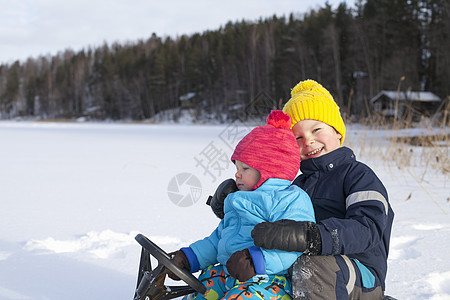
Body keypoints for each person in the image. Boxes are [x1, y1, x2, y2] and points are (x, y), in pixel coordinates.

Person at [248, 79, 395, 300]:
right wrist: (237, 199)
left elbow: (368, 227)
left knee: (311, 266)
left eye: (316, 129)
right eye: (297, 138)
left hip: (361, 276)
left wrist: (313, 237)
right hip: (309, 272)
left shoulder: (359, 176)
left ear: (337, 131)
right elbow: (268, 212)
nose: (308, 141)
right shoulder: (298, 185)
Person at [168, 110, 316, 300]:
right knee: (201, 289)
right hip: (229, 273)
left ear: (270, 170)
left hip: (270, 281)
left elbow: (294, 245)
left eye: (245, 168)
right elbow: (218, 240)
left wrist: (256, 262)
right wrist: (190, 257)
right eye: (237, 168)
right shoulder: (237, 199)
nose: (237, 174)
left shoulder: (290, 199)